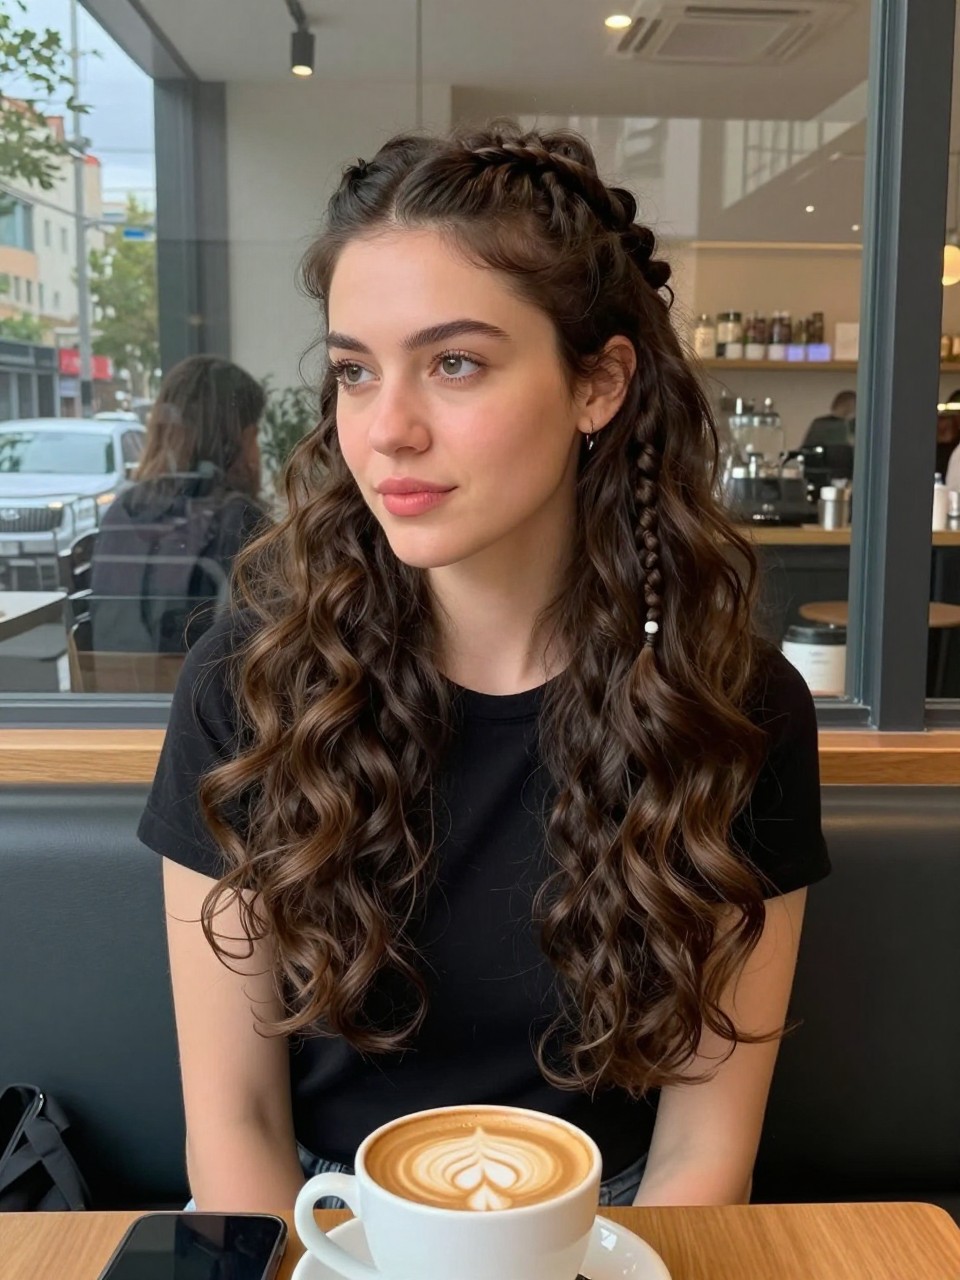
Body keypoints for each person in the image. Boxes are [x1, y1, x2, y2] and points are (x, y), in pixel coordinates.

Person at [138, 123, 830, 1214]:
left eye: (454, 362)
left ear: (598, 384)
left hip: (614, 1219)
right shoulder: (247, 689)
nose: (387, 431)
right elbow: (238, 1125)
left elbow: (705, 1148)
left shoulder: (733, 707)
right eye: (357, 372)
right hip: (323, 1217)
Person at [90, 355, 269, 655]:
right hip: (205, 697)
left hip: (116, 695)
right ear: (242, 438)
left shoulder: (120, 512)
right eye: (256, 435)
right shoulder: (241, 521)